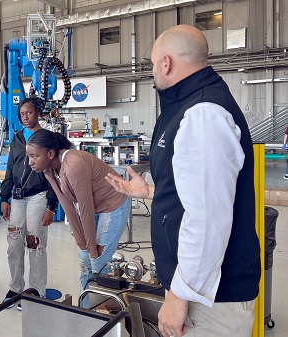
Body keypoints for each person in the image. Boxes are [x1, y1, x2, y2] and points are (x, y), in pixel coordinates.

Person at [105, 25, 260, 337]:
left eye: (151, 64)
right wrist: (151, 190)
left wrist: (179, 295)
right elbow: (197, 191)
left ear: (166, 63)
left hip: (210, 299)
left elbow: (208, 219)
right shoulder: (186, 105)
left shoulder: (203, 113)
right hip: (199, 291)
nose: (152, 72)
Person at [26, 128, 132, 305]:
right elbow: (67, 205)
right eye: (29, 156)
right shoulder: (50, 170)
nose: (30, 162)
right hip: (95, 208)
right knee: (84, 262)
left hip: (113, 205)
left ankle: (105, 312)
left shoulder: (73, 165)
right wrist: (82, 244)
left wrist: (91, 248)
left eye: (34, 156)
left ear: (50, 153)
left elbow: (85, 210)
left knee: (98, 263)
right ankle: (86, 310)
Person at [0, 97, 58, 309]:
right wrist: (4, 197)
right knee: (14, 244)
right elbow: (10, 169)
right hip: (17, 197)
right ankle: (15, 288)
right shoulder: (16, 138)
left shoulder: (47, 138)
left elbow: (54, 173)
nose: (25, 117)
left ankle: (36, 291)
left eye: (29, 113)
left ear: (38, 113)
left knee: (34, 244)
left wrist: (51, 206)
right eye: (22, 114)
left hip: (39, 196)